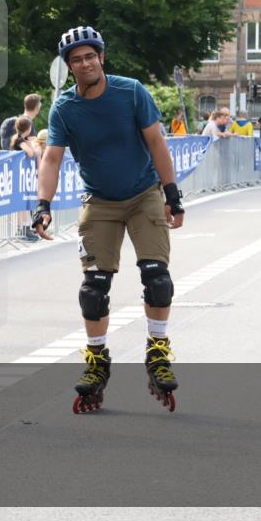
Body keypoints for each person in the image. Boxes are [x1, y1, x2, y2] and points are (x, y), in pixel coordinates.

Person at [32, 25, 184, 413]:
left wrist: (171, 194)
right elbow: (51, 158)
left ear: (101, 57)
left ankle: (158, 351)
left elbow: (156, 142)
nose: (85, 63)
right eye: (76, 59)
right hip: (99, 200)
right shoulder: (65, 107)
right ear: (69, 67)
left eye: (90, 55)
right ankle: (97, 361)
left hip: (143, 194)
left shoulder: (131, 91)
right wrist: (43, 205)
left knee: (157, 277)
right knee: (94, 289)